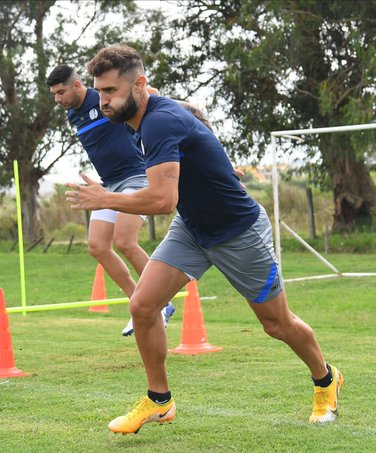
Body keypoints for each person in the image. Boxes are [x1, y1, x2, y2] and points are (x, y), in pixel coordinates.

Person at [65, 45, 342, 433]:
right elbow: (192, 115)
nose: (103, 100)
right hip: (193, 228)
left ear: (139, 85)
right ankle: (159, 400)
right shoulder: (149, 106)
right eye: (100, 91)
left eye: (110, 91)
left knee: (277, 325)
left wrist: (104, 199)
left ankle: (326, 380)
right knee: (143, 306)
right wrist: (218, 155)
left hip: (238, 232)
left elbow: (163, 200)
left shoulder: (157, 122)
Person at [46, 64, 175, 336]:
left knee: (125, 240)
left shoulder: (100, 97)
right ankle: (137, 303)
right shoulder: (72, 113)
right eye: (54, 94)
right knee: (97, 246)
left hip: (137, 176)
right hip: (109, 183)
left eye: (60, 92)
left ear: (78, 85)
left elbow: (149, 92)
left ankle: (160, 303)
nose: (57, 99)